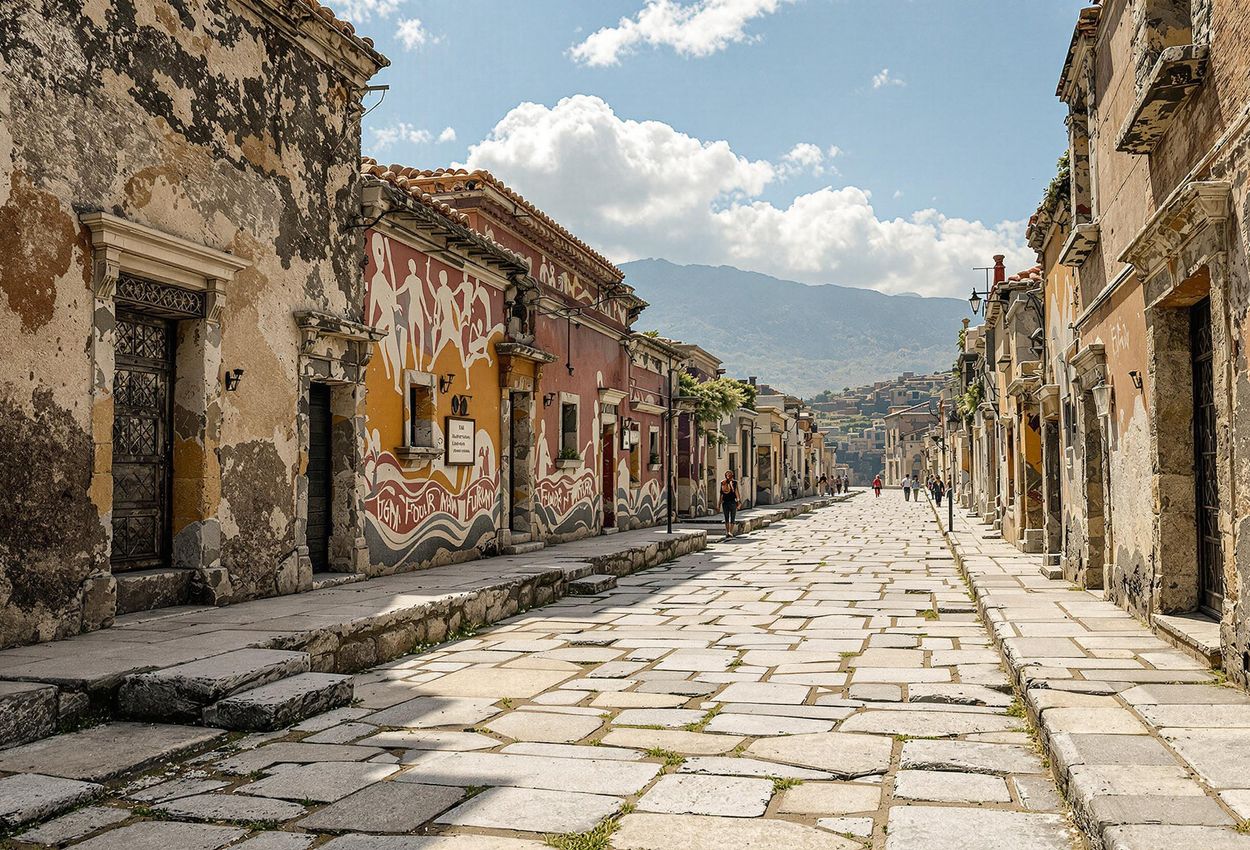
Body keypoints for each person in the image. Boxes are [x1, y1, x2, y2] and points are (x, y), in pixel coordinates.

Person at [719, 469, 741, 538]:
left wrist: (738, 502)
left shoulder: (734, 483)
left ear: (732, 475)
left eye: (729, 475)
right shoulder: (723, 482)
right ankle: (727, 531)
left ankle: (730, 532)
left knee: (732, 517)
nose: (728, 476)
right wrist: (719, 504)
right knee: (726, 517)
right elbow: (721, 494)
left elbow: (736, 492)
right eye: (727, 475)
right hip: (725, 502)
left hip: (732, 502)